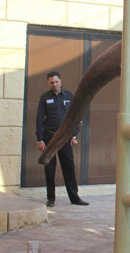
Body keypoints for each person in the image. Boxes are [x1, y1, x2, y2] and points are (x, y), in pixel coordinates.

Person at [36, 71, 89, 207]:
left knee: (69, 167)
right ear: (49, 83)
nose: (54, 84)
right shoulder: (44, 98)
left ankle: (75, 198)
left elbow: (76, 117)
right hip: (50, 137)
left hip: (65, 137)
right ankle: (51, 199)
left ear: (61, 81)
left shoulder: (69, 96)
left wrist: (74, 135)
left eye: (56, 81)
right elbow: (39, 120)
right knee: (50, 168)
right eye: (52, 82)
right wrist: (40, 139)